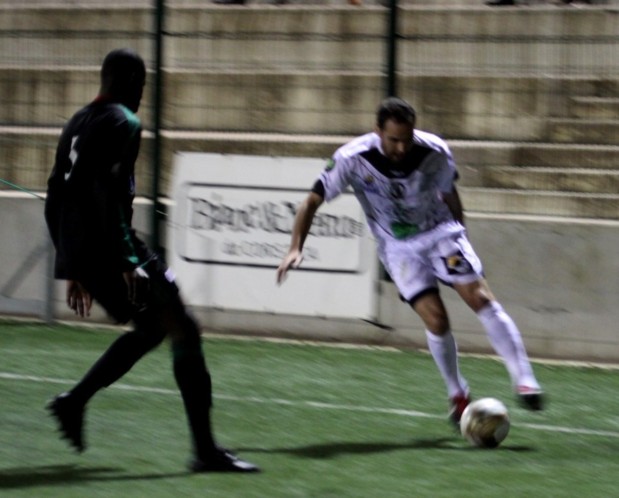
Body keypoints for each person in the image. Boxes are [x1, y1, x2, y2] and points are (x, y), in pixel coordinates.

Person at [44, 48, 259, 473]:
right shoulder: (124, 121)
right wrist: (129, 261)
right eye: (141, 84)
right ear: (128, 82)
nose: (143, 93)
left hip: (87, 253)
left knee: (156, 327)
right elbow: (107, 199)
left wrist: (71, 266)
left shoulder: (76, 122)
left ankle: (75, 401)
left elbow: (57, 198)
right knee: (184, 328)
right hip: (112, 249)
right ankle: (204, 452)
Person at [276, 97, 544, 426]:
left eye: (407, 138)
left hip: (441, 234)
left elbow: (449, 193)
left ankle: (525, 380)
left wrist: (461, 236)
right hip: (399, 247)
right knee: (436, 320)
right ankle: (457, 393)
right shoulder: (352, 158)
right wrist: (295, 247)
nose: (402, 147)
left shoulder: (435, 150)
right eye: (394, 140)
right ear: (377, 131)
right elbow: (311, 202)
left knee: (480, 298)